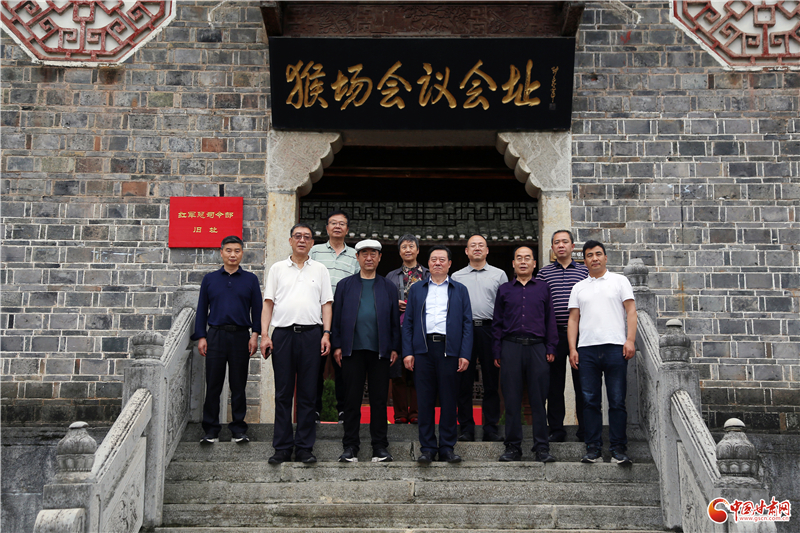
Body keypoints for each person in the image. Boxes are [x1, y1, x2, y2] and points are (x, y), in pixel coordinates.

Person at [261, 223, 333, 464]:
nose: (302, 240)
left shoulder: (320, 269)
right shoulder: (277, 269)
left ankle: (304, 447)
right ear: (290, 241)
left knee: (308, 393)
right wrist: (265, 334)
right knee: (283, 393)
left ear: (312, 243)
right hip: (283, 335)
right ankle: (282, 448)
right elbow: (268, 303)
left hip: (312, 335)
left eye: (307, 237)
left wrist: (326, 333)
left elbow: (326, 304)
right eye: (298, 236)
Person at [568, 240, 637, 465]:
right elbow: (573, 319)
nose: (594, 258)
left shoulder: (620, 281)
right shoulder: (579, 287)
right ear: (585, 260)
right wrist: (572, 348)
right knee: (589, 401)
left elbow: (631, 311)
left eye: (598, 254)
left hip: (615, 347)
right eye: (589, 255)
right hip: (586, 350)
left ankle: (618, 449)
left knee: (617, 400)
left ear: (605, 257)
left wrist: (630, 340)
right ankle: (593, 449)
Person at [331, 239, 401, 463]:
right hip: (352, 351)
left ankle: (379, 447)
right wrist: (337, 345)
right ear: (357, 257)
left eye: (373, 254)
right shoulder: (345, 285)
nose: (369, 258)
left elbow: (394, 321)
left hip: (380, 351)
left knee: (379, 401)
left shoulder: (388, 287)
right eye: (364, 254)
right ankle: (350, 447)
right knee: (351, 400)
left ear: (379, 258)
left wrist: (394, 347)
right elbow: (336, 318)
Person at [402, 245, 472, 464]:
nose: (438, 263)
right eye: (433, 259)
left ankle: (447, 447)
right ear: (428, 264)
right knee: (424, 401)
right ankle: (428, 448)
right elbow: (408, 323)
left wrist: (465, 353)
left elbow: (467, 324)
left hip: (449, 350)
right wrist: (408, 352)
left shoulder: (460, 290)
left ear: (450, 264)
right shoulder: (417, 289)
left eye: (442, 259)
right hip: (423, 350)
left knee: (449, 400)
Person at [193, 236, 263, 445]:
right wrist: (201, 336)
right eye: (229, 250)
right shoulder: (210, 279)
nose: (233, 255)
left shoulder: (250, 279)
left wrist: (255, 334)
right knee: (213, 384)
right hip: (215, 335)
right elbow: (201, 309)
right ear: (221, 252)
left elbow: (258, 310)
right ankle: (211, 430)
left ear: (242, 253)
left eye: (237, 251)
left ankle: (238, 429)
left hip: (241, 336)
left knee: (238, 385)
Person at [492, 245, 559, 462]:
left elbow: (550, 320)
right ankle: (513, 447)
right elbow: (497, 323)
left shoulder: (543, 288)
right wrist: (497, 350)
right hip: (511, 347)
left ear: (534, 263)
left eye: (527, 258)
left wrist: (551, 347)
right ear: (513, 264)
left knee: (539, 400)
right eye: (519, 258)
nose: (523, 262)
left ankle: (541, 448)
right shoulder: (504, 290)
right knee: (511, 400)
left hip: (537, 348)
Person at [451, 234, 507, 442]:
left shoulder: (499, 274)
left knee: (491, 382)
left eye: (481, 245)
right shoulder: (456, 276)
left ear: (487, 250)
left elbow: (505, 307)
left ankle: (490, 427)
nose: (477, 248)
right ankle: (466, 428)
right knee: (463, 381)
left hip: (490, 330)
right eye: (472, 245)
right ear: (466, 251)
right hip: (464, 330)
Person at [536, 230, 588, 443]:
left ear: (572, 246)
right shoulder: (544, 274)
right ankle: (556, 429)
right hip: (554, 334)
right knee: (554, 385)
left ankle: (585, 429)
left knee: (583, 384)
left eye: (565, 242)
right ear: (552, 248)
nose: (560, 245)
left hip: (581, 334)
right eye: (556, 242)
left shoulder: (585, 272)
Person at [310, 210, 359, 423]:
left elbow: (358, 284)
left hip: (344, 317)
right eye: (333, 223)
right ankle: (314, 409)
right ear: (327, 228)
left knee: (343, 365)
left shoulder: (355, 255)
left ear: (347, 229)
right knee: (315, 365)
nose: (337, 226)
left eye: (342, 224)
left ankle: (343, 410)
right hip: (315, 315)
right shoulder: (315, 251)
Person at [385, 234, 428, 424]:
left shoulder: (427, 274)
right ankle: (401, 413)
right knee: (398, 372)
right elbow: (384, 301)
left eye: (411, 246)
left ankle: (417, 412)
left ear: (418, 250)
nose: (408, 250)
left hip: (421, 329)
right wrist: (394, 303)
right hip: (398, 328)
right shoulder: (391, 276)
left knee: (419, 372)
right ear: (399, 251)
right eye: (404, 247)